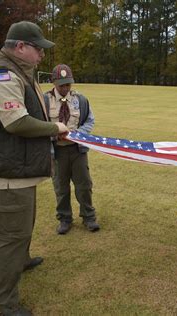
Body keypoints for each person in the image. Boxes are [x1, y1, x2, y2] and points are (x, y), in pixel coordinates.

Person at [0, 21, 69, 315]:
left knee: (21, 227)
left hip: (16, 169)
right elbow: (16, 122)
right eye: (38, 48)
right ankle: (5, 302)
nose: (42, 55)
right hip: (7, 173)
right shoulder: (2, 75)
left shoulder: (17, 71)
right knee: (10, 236)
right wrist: (55, 127)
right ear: (20, 47)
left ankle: (21, 259)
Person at [43, 64, 100, 234]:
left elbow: (89, 121)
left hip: (77, 151)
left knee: (84, 185)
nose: (65, 87)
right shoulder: (44, 101)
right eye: (61, 84)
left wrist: (76, 135)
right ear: (53, 82)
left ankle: (89, 217)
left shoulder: (80, 99)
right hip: (57, 151)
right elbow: (40, 125)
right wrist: (54, 134)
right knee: (61, 187)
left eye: (68, 84)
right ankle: (65, 219)